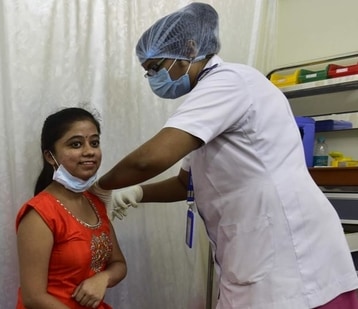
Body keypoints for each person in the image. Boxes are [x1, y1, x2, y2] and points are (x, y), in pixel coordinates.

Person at [97, 3, 358, 309]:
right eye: (148, 73)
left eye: (156, 67)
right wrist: (133, 193)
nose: (153, 78)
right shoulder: (205, 101)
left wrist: (100, 187)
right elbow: (185, 184)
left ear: (190, 49)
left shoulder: (229, 82)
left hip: (292, 261)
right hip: (254, 254)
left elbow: (149, 160)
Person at [16, 107, 127, 309]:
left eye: (94, 143)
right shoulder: (39, 215)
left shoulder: (95, 202)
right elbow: (33, 298)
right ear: (50, 156)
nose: (89, 151)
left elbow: (119, 264)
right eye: (76, 144)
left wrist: (103, 278)